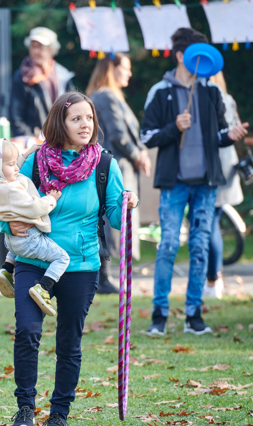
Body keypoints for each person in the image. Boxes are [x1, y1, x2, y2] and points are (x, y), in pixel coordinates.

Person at [0, 92, 137, 426]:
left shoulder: (105, 165)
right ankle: (25, 409)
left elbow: (116, 217)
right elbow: (6, 203)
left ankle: (59, 413)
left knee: (69, 342)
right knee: (28, 331)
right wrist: (8, 225)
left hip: (81, 263)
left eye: (89, 118)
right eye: (77, 119)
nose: (85, 125)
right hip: (33, 260)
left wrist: (128, 203)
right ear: (60, 123)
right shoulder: (34, 162)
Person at [140, 28, 249, 336]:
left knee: (200, 248)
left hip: (206, 183)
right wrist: (174, 127)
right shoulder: (160, 92)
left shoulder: (211, 91)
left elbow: (219, 137)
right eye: (194, 55)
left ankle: (193, 313)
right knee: (169, 244)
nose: (200, 61)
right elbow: (146, 137)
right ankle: (159, 314)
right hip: (174, 184)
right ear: (179, 56)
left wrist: (232, 135)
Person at [0, 139, 67, 316]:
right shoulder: (11, 190)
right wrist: (51, 199)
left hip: (12, 242)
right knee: (62, 258)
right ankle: (42, 288)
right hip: (29, 239)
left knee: (18, 247)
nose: (16, 167)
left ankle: (7, 269)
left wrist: (25, 155)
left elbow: (9, 168)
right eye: (12, 164)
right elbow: (35, 208)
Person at [88, 53, 151, 295]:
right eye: (125, 68)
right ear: (111, 69)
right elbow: (117, 135)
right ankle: (103, 277)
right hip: (114, 165)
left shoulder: (110, 96)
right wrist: (138, 155)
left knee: (109, 218)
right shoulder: (105, 96)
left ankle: (105, 277)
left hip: (116, 164)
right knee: (108, 218)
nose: (129, 73)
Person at [204, 72, 244, 300]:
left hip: (213, 163)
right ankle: (213, 279)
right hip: (228, 161)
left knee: (210, 223)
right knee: (213, 221)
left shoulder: (206, 96)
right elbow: (237, 129)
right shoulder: (229, 99)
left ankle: (213, 279)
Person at [10, 28, 76, 138]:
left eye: (40, 47)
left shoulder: (63, 75)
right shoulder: (22, 76)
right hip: (34, 142)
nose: (35, 51)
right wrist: (30, 139)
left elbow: (73, 107)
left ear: (51, 49)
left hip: (61, 139)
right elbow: (16, 115)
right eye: (33, 46)